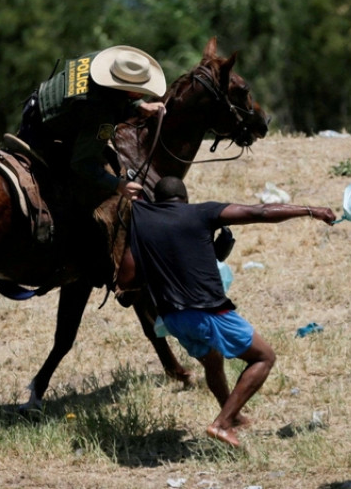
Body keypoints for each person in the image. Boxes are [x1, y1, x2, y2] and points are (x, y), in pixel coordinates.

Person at [122, 176, 336, 448]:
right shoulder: (200, 212)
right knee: (264, 357)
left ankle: (232, 416)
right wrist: (311, 211)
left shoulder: (140, 218)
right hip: (208, 312)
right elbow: (260, 212)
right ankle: (222, 423)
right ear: (184, 199)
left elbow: (128, 276)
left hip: (172, 319)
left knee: (212, 361)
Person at [17, 45, 166, 201]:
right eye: (139, 90)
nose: (143, 93)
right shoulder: (102, 117)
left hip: (40, 99)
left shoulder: (99, 60)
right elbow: (82, 163)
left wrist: (140, 104)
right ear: (124, 88)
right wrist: (118, 184)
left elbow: (111, 93)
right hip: (39, 129)